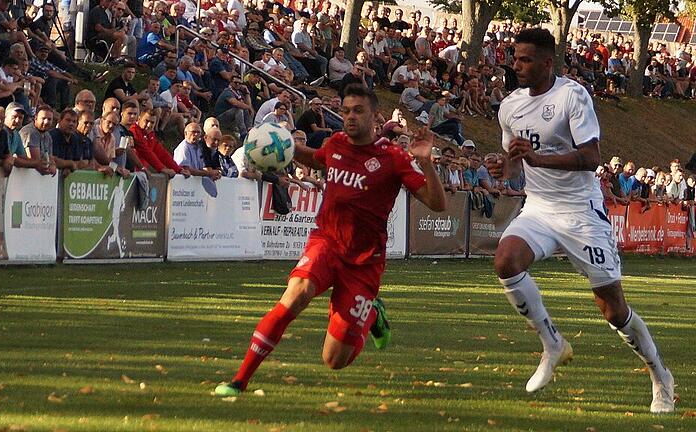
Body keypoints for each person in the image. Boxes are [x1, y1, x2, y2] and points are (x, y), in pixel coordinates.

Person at [214, 84, 446, 397]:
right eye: (346, 110)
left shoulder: (392, 158)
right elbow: (317, 158)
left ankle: (372, 313)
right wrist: (274, 145)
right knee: (298, 292)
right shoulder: (336, 142)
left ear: (375, 117)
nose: (349, 117)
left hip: (364, 262)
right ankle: (239, 381)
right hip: (326, 242)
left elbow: (437, 204)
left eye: (358, 111)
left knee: (334, 360)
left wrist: (426, 162)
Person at [486, 29, 674, 414]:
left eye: (525, 59)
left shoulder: (573, 96)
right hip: (539, 208)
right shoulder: (510, 106)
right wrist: (502, 164)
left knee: (613, 309)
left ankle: (660, 375)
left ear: (547, 62)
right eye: (515, 58)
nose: (517, 65)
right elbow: (513, 163)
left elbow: (591, 157)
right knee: (506, 260)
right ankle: (552, 345)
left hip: (581, 213)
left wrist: (537, 160)